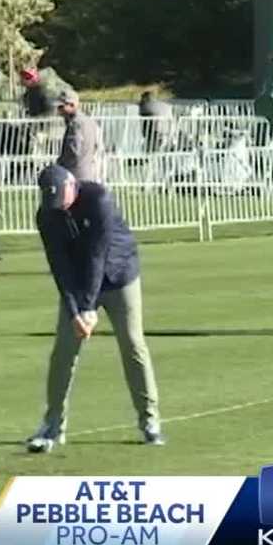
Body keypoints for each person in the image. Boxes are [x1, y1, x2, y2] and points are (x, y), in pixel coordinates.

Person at [28, 166, 164, 452]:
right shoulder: (47, 215)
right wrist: (75, 310)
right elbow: (59, 266)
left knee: (132, 344)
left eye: (60, 197)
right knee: (63, 352)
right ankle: (53, 424)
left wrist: (87, 309)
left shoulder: (98, 199)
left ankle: (150, 420)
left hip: (119, 275)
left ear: (71, 184)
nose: (57, 206)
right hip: (80, 284)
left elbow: (96, 255)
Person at [55, 86, 102, 182]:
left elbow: (74, 151)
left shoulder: (76, 124)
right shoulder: (90, 122)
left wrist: (60, 165)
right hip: (89, 174)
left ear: (72, 105)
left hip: (76, 175)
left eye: (61, 107)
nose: (58, 110)